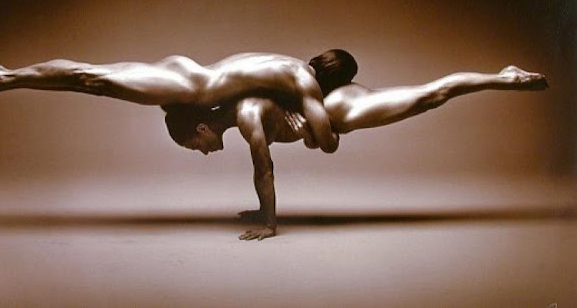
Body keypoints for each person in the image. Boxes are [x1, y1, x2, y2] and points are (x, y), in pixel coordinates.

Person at [163, 65, 548, 240]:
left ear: (201, 129)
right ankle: (503, 78)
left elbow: (264, 170)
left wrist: (269, 225)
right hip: (331, 103)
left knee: (430, 97)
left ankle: (505, 78)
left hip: (341, 110)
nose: (202, 152)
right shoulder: (239, 107)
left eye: (195, 146)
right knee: (426, 96)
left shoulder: (246, 116)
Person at [0, 50, 357, 153]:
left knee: (92, 80)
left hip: (186, 81)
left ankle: (9, 77)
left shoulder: (290, 68)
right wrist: (319, 129)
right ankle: (7, 76)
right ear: (335, 81)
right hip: (184, 85)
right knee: (91, 78)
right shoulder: (304, 83)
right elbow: (327, 143)